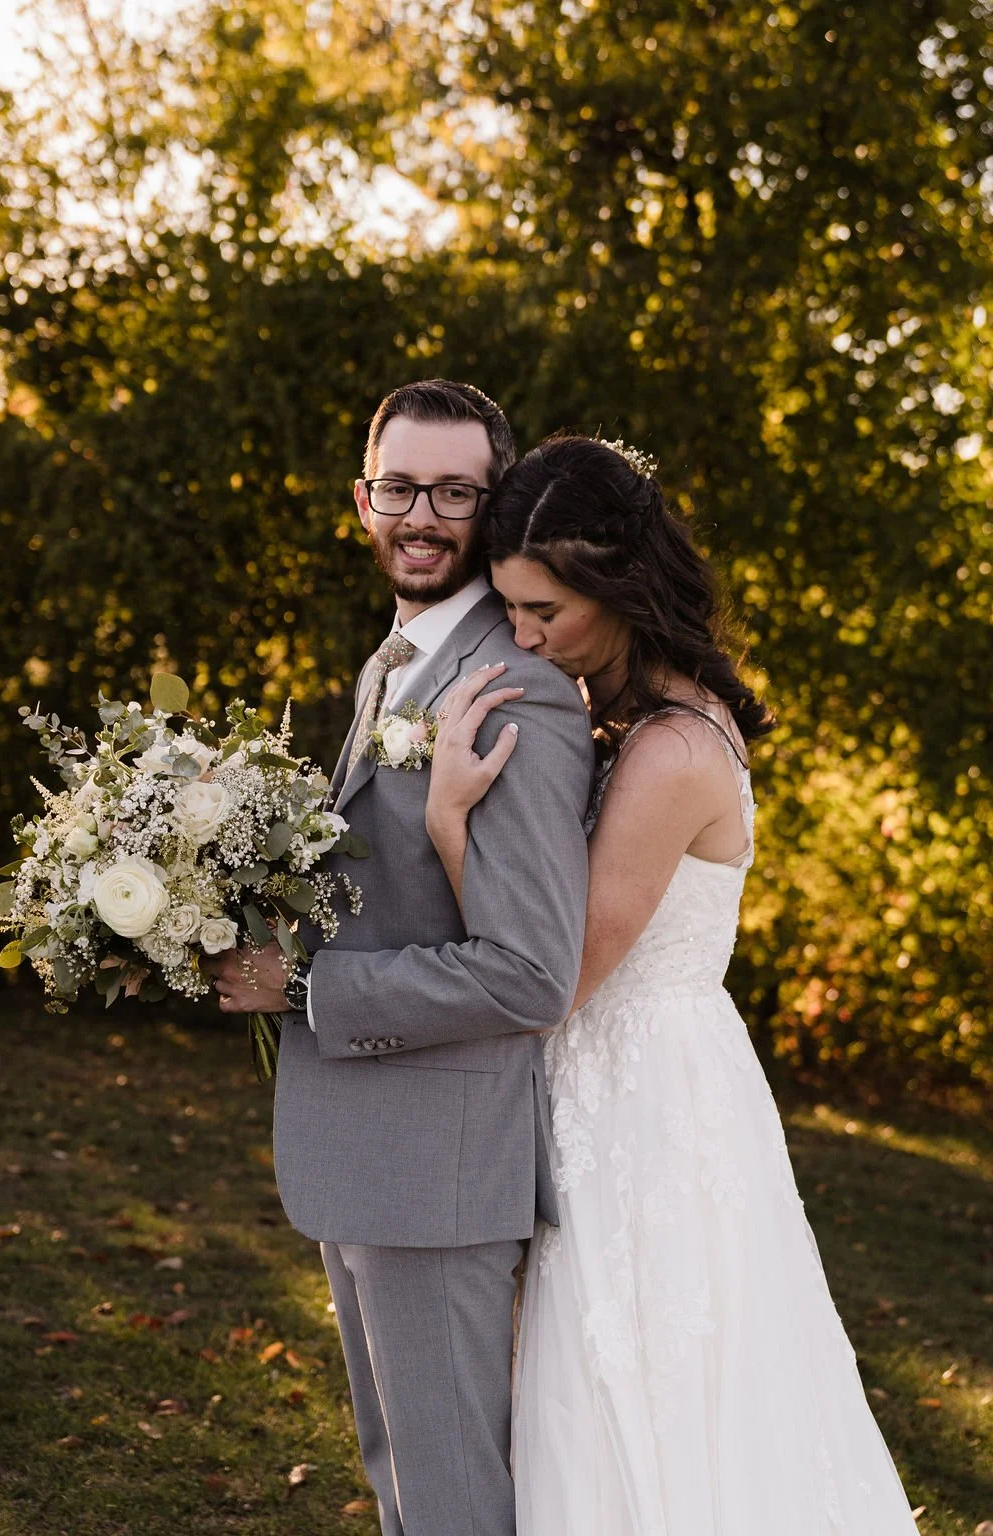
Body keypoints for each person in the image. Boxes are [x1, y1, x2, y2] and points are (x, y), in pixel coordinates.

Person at [426, 435, 920, 1535]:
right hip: (611, 1085)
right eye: (507, 606)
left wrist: (449, 821)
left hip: (647, 1107)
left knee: (649, 1384)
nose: (522, 635)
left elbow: (553, 977)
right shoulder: (619, 717)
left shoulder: (670, 753)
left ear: (622, 587)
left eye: (545, 610)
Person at [206, 381, 594, 1536]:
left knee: (449, 1497)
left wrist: (308, 989)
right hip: (376, 1146)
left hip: (439, 1164)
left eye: (454, 492)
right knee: (400, 1476)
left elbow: (528, 970)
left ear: (496, 505)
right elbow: (390, 892)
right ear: (360, 497)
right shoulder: (400, 663)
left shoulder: (515, 688)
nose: (420, 516)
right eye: (398, 487)